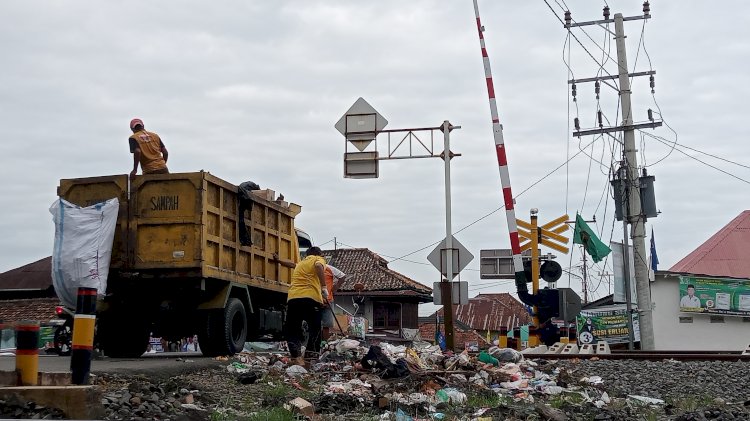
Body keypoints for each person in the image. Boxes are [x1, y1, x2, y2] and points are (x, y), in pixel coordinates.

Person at [284, 246, 327, 366]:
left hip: (293, 298)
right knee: (315, 328)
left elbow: (291, 264)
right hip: (310, 299)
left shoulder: (301, 263)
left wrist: (278, 260)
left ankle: (296, 357)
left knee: (292, 329)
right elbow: (318, 266)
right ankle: (310, 358)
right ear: (319, 254)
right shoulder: (317, 259)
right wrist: (324, 287)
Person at [321, 265, 346, 340]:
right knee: (324, 325)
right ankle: (319, 344)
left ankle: (323, 344)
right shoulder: (326, 267)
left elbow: (343, 276)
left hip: (326, 299)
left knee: (326, 325)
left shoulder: (327, 268)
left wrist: (335, 287)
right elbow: (342, 276)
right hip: (318, 299)